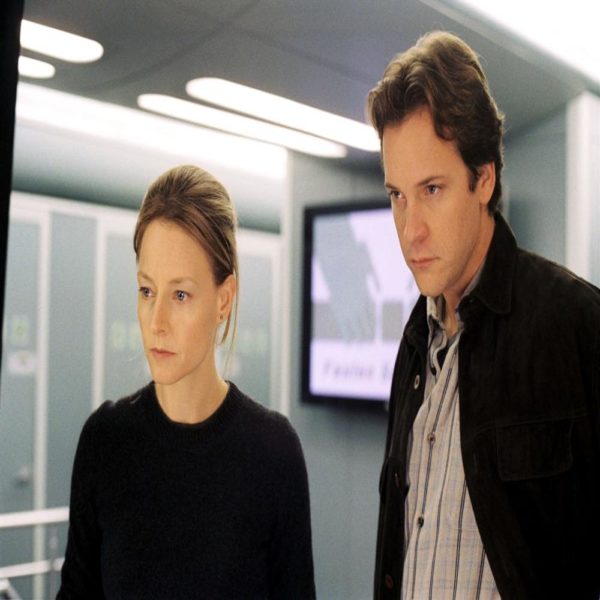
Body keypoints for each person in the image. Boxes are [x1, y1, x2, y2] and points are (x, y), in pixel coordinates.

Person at [367, 31, 600, 599]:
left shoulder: (576, 324)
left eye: (432, 189)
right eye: (397, 195)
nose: (410, 229)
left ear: (484, 179)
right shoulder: (413, 347)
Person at [58, 165, 316, 599]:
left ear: (223, 300)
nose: (156, 321)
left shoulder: (273, 452)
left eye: (180, 295)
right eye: (147, 291)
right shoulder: (105, 441)